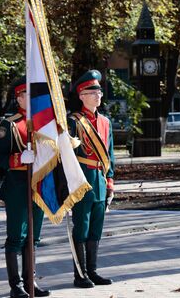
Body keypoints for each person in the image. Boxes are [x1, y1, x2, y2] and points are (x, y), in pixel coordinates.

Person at [0, 77, 51, 297]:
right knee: (16, 237)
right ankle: (15, 285)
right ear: (18, 98)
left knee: (33, 238)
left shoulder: (43, 123)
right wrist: (18, 159)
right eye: (27, 95)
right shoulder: (10, 124)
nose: (32, 99)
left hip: (39, 185)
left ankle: (30, 282)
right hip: (17, 187)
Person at [68, 70, 114, 288]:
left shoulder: (105, 122)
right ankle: (80, 274)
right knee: (82, 227)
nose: (98, 96)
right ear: (81, 95)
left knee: (96, 227)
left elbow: (110, 155)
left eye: (99, 92)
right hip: (82, 180)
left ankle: (92, 271)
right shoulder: (74, 122)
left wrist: (111, 182)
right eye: (92, 92)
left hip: (101, 181)